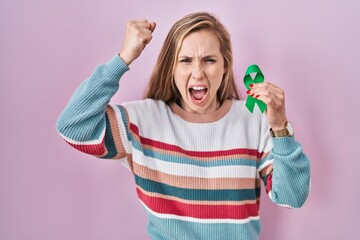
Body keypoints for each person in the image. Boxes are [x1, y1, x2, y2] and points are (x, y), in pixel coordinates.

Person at [56, 12, 310, 240]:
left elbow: (292, 197)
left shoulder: (253, 120)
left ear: (224, 67)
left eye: (209, 60)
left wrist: (280, 128)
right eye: (186, 60)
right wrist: (122, 59)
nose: (198, 72)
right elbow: (72, 125)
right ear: (171, 68)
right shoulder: (143, 122)